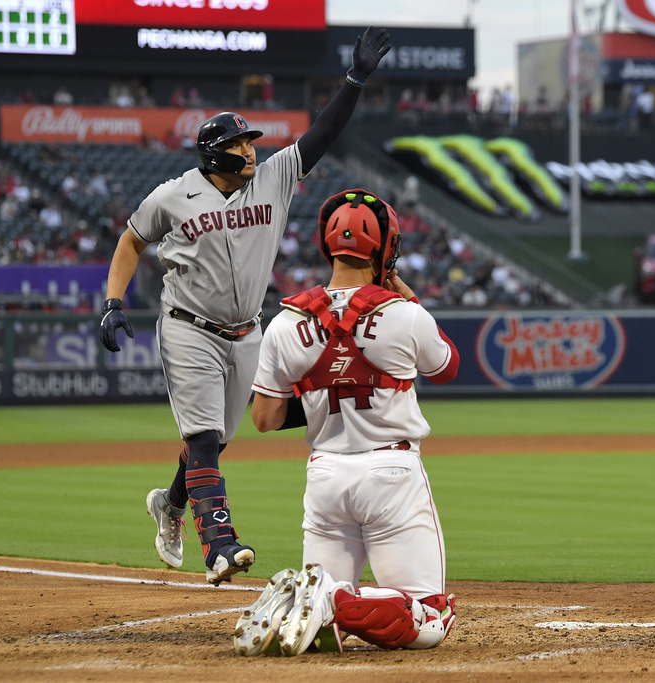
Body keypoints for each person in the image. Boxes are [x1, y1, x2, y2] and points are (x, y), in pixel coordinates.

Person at [98, 27, 392, 585]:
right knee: (204, 439)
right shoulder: (172, 195)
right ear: (215, 153)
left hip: (246, 331)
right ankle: (219, 545)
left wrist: (354, 81)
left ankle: (170, 502)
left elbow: (321, 135)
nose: (251, 149)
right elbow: (131, 241)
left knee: (233, 433)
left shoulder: (273, 178)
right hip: (188, 327)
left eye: (252, 142)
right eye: (240, 144)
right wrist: (114, 301)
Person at [236, 189, 460, 657]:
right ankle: (334, 599)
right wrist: (409, 298)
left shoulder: (284, 323)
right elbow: (448, 366)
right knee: (431, 617)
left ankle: (307, 601)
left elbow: (264, 418)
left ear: (327, 245)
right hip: (391, 477)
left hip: (325, 478)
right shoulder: (405, 315)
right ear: (384, 249)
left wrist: (322, 392)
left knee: (317, 634)